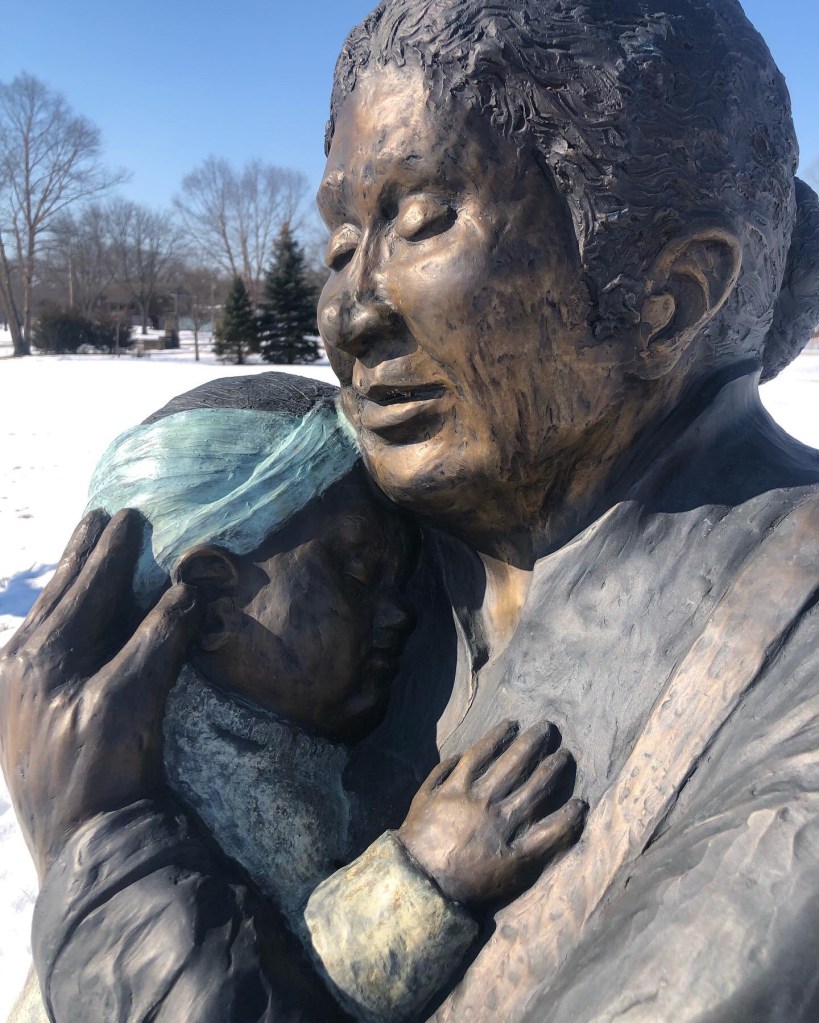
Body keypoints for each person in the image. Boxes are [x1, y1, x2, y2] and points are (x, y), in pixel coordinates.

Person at [4, 0, 819, 1019]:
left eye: (424, 219)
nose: (347, 313)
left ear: (669, 295)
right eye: (342, 237)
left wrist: (103, 851)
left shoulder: (790, 670)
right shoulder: (377, 559)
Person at [2, 375, 583, 1023]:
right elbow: (259, 969)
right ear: (211, 604)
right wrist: (419, 879)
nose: (399, 613)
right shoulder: (213, 795)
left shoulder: (266, 766)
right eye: (359, 571)